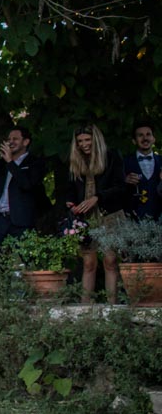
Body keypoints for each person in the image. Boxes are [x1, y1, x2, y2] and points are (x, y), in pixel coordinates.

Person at [65, 125, 126, 304]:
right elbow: (70, 189)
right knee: (88, 263)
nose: (84, 144)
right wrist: (71, 203)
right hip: (85, 219)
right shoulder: (75, 161)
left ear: (96, 139)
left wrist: (98, 198)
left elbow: (120, 187)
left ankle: (112, 307)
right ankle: (85, 308)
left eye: (87, 140)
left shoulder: (112, 157)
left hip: (109, 215)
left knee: (110, 260)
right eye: (80, 141)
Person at [0, 126, 48, 251]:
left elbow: (27, 184)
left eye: (15, 139)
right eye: (9, 139)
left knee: (27, 260)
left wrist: (11, 162)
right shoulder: (0, 164)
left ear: (26, 142)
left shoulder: (35, 162)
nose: (11, 142)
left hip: (22, 220)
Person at [123, 121, 162, 220]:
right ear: (134, 141)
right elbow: (115, 188)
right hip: (134, 218)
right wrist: (124, 180)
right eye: (140, 135)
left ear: (153, 139)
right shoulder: (124, 162)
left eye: (148, 134)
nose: (145, 138)